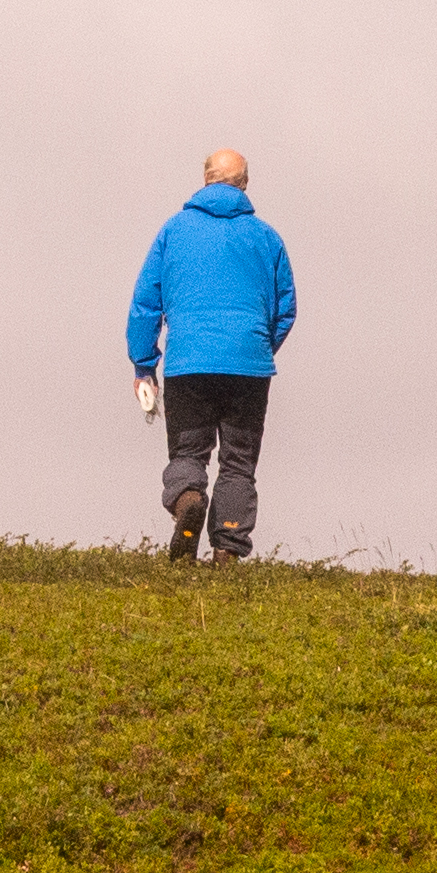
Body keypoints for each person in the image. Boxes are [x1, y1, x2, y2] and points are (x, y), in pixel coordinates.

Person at [125, 147, 297, 563]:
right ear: (245, 184)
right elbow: (285, 309)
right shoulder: (267, 238)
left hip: (189, 362)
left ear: (205, 180)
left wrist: (144, 365)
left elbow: (146, 302)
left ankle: (187, 499)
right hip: (249, 366)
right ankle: (227, 549)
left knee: (188, 453)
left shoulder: (174, 231)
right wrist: (255, 347)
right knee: (238, 463)